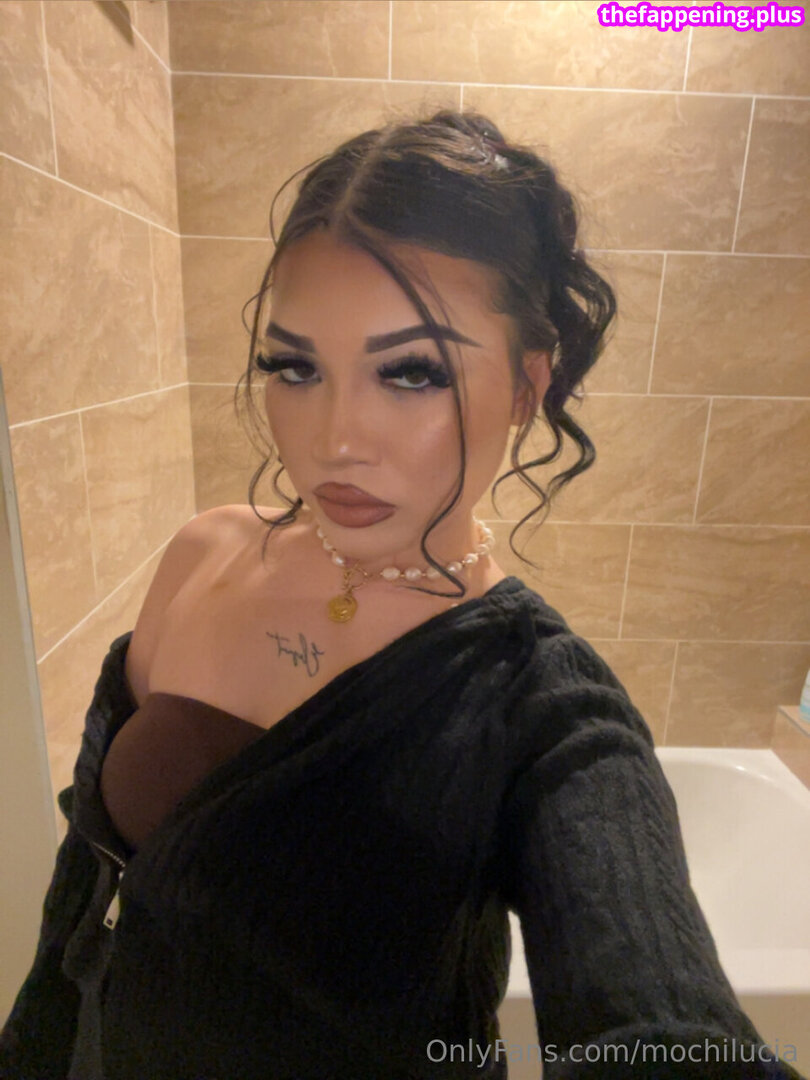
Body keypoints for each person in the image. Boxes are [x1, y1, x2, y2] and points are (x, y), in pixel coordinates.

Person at [1, 108, 805, 1080]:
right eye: (296, 365)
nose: (336, 437)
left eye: (413, 372)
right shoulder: (203, 551)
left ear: (526, 387)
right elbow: (84, 897)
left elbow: (655, 1026)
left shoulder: (538, 703)